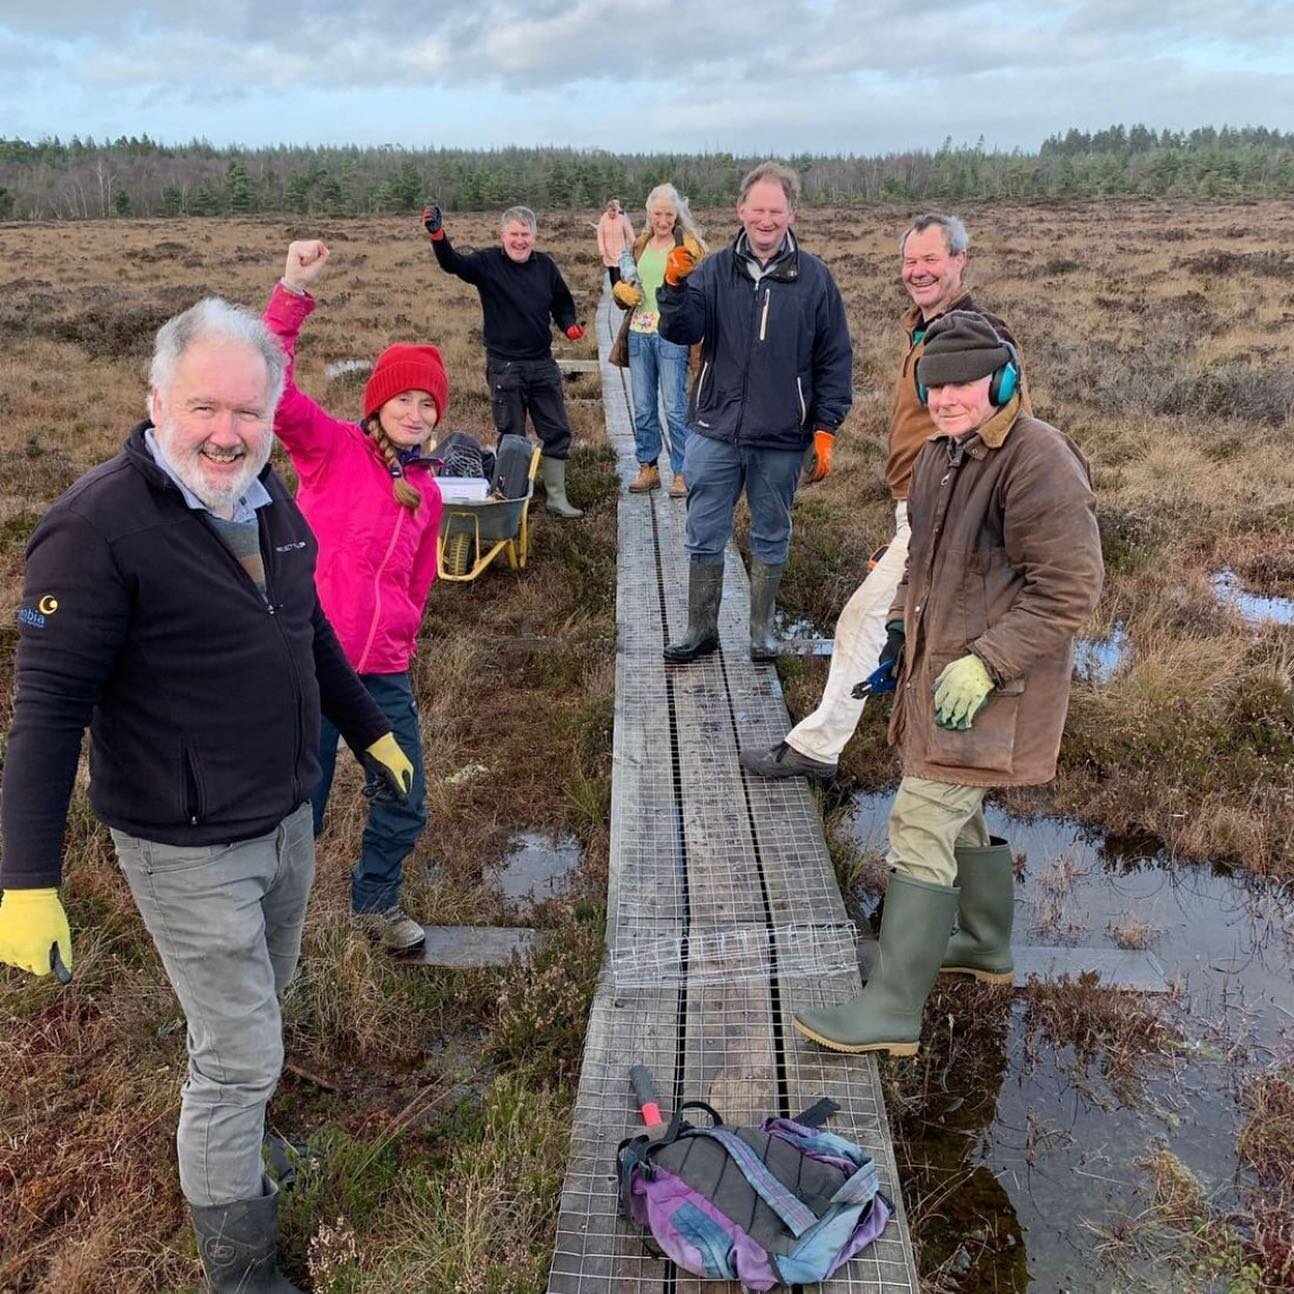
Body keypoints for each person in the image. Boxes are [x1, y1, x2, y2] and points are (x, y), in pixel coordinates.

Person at [0, 298, 416, 1291]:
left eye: (249, 411)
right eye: (204, 408)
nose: (227, 432)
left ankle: (250, 1153)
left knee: (262, 1013)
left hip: (280, 820)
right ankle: (240, 1271)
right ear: (157, 402)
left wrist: (368, 730)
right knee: (235, 1055)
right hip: (186, 847)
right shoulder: (95, 527)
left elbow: (306, 627)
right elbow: (49, 708)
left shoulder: (265, 497)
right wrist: (25, 879)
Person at [793, 311, 1103, 1056]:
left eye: (963, 382)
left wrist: (987, 660)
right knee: (955, 809)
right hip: (935, 680)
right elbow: (923, 566)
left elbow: (1071, 591)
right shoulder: (940, 455)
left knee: (922, 821)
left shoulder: (1038, 460)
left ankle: (893, 1011)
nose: (945, 397)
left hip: (993, 692)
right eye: (934, 384)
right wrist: (901, 629)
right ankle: (985, 946)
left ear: (1001, 380)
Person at [741, 213, 1029, 780]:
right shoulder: (925, 329)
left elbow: (1007, 429)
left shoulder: (975, 335)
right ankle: (931, 753)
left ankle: (819, 750)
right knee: (908, 632)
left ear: (959, 262)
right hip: (918, 512)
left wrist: (951, 523)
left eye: (931, 259)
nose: (918, 271)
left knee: (862, 622)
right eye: (910, 261)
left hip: (947, 514)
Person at [264, 239, 446, 954]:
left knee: (404, 798)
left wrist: (401, 640)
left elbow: (419, 581)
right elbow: (272, 389)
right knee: (296, 809)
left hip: (381, 676)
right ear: (378, 403)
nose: (416, 411)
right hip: (311, 665)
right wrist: (292, 293)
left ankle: (375, 905)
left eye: (428, 403)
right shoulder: (331, 449)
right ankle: (279, 926)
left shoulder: (426, 492)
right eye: (404, 397)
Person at [656, 160, 852, 662]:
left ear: (791, 213)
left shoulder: (815, 280)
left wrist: (825, 427)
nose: (766, 219)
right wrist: (675, 290)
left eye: (777, 210)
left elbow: (834, 359)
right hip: (715, 430)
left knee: (772, 532)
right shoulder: (714, 270)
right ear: (741, 210)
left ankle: (761, 633)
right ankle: (702, 630)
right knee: (703, 532)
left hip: (782, 437)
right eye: (758, 209)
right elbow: (680, 331)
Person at [422, 203, 585, 518]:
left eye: (525, 234)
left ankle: (556, 497)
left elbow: (563, 303)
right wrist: (438, 236)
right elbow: (453, 264)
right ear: (503, 235)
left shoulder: (546, 267)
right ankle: (512, 498)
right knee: (512, 436)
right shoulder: (486, 264)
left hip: (542, 364)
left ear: (534, 237)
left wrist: (569, 324)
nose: (520, 240)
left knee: (556, 429)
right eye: (514, 234)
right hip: (504, 367)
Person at [612, 183, 707, 498]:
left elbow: (699, 289)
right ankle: (648, 467)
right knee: (642, 406)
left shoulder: (688, 245)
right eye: (657, 214)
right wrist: (620, 294)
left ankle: (682, 471)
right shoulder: (640, 244)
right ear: (648, 214)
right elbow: (628, 282)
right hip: (639, 334)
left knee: (675, 407)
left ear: (677, 214)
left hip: (671, 336)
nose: (663, 220)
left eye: (669, 214)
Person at [597, 198, 636, 286]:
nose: (612, 214)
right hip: (608, 252)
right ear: (607, 210)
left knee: (618, 273)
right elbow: (600, 235)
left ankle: (621, 293)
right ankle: (615, 292)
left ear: (617, 211)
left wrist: (635, 244)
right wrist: (602, 249)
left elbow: (629, 231)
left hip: (620, 252)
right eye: (610, 211)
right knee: (612, 273)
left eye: (614, 212)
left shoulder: (622, 219)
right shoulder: (603, 219)